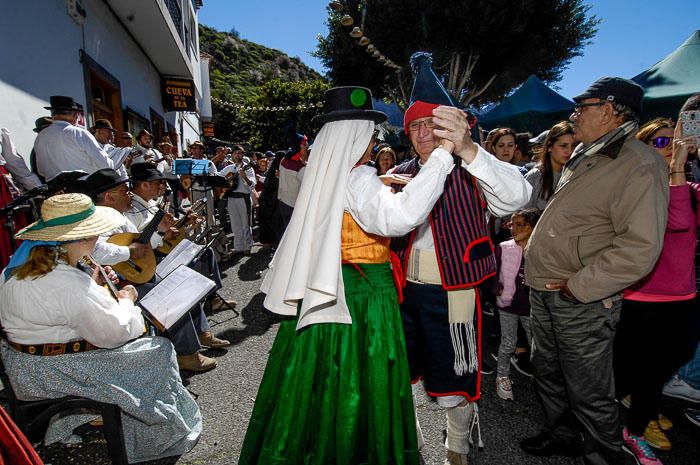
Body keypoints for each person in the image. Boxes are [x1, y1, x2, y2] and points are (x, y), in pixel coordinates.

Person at [239, 85, 460, 465]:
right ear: (357, 137)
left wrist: (382, 187)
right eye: (370, 137)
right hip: (364, 295)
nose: (373, 145)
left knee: (319, 377)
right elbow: (397, 218)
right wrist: (442, 158)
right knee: (364, 377)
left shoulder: (323, 174)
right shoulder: (358, 177)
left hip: (325, 287)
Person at [389, 52, 531, 465]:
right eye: (415, 125)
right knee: (401, 371)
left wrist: (470, 149)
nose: (423, 132)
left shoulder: (473, 166)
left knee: (456, 376)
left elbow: (517, 198)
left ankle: (456, 445)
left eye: (432, 123)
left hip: (455, 292)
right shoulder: (399, 171)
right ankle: (408, 442)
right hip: (402, 292)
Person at [522, 77, 669, 465]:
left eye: (581, 107)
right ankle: (562, 437)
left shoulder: (639, 162)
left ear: (609, 110)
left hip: (580, 299)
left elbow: (639, 248)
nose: (573, 115)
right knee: (548, 373)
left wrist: (578, 287)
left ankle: (603, 456)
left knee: (589, 391)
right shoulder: (589, 153)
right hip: (545, 289)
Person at [0, 193, 202, 463]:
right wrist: (126, 301)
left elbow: (58, 312)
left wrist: (93, 288)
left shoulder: (17, 269)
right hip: (52, 372)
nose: (98, 239)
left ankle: (79, 419)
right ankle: (154, 435)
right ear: (81, 239)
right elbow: (116, 333)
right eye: (95, 233)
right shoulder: (67, 282)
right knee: (158, 349)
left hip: (25, 365)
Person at [613, 115, 699, 461]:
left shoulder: (690, 189)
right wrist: (677, 170)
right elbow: (677, 224)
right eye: (660, 142)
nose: (669, 149)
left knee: (667, 365)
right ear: (644, 149)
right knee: (631, 370)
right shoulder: (637, 187)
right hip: (641, 296)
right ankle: (628, 430)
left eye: (673, 141)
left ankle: (632, 418)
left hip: (683, 295)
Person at [493, 208, 540, 401]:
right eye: (513, 224)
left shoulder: (540, 249)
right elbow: (493, 272)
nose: (514, 228)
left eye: (521, 224)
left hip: (532, 309)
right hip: (508, 306)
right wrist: (497, 288)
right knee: (508, 343)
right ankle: (502, 376)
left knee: (536, 346)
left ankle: (543, 381)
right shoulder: (504, 247)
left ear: (533, 227)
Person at [34, 96, 113, 180]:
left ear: (52, 114)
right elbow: (105, 164)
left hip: (55, 190)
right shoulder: (79, 133)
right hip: (82, 187)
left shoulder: (40, 137)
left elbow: (41, 170)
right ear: (75, 115)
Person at [524, 121, 576, 210]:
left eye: (573, 146)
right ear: (549, 146)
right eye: (563, 146)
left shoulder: (575, 174)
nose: (569, 151)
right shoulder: (535, 176)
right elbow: (520, 215)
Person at [219, 149, 256, 255]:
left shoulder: (248, 168)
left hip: (243, 197)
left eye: (240, 153)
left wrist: (244, 176)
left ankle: (247, 246)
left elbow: (252, 184)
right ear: (232, 155)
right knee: (235, 223)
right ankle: (238, 247)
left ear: (243, 155)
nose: (237, 155)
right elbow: (219, 176)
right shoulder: (229, 168)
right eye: (235, 153)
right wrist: (224, 185)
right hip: (231, 197)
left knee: (246, 222)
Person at [277, 133, 308, 230]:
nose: (307, 148)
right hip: (294, 206)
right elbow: (308, 185)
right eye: (305, 146)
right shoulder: (300, 167)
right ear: (300, 147)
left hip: (282, 202)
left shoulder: (283, 160)